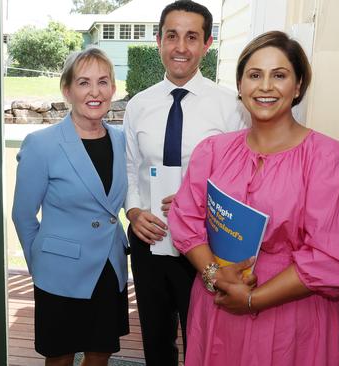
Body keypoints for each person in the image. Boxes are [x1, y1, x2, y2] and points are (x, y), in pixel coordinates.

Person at [168, 30, 339, 365]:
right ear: (240, 84)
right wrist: (214, 275)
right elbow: (185, 219)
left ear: (299, 85)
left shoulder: (332, 162)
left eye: (279, 75)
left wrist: (252, 300)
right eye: (254, 75)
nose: (264, 87)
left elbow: (333, 256)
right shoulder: (213, 151)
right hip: (219, 301)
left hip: (292, 312)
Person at [123, 1, 249, 364]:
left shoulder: (231, 107)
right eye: (172, 36)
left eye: (192, 37)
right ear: (158, 40)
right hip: (151, 238)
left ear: (207, 44)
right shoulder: (139, 105)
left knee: (205, 337)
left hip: (206, 244)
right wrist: (133, 211)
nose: (181, 47)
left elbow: (242, 180)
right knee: (156, 337)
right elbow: (131, 168)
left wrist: (198, 200)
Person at [12, 48, 129, 366]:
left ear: (113, 89)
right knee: (60, 357)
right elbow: (23, 215)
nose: (95, 92)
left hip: (109, 268)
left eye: (103, 82)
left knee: (99, 354)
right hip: (59, 272)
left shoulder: (122, 142)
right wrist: (41, 263)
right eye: (84, 82)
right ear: (67, 90)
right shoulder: (42, 144)